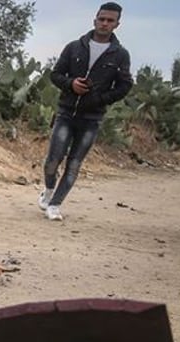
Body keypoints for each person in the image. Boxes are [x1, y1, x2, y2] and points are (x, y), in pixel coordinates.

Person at [39, 2, 133, 222]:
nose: (105, 23)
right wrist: (71, 84)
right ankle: (49, 189)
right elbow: (55, 74)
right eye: (102, 19)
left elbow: (125, 85)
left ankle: (55, 205)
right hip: (66, 112)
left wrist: (101, 98)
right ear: (95, 20)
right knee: (53, 160)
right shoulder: (74, 47)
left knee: (74, 164)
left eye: (110, 20)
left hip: (92, 118)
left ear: (117, 24)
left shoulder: (120, 55)